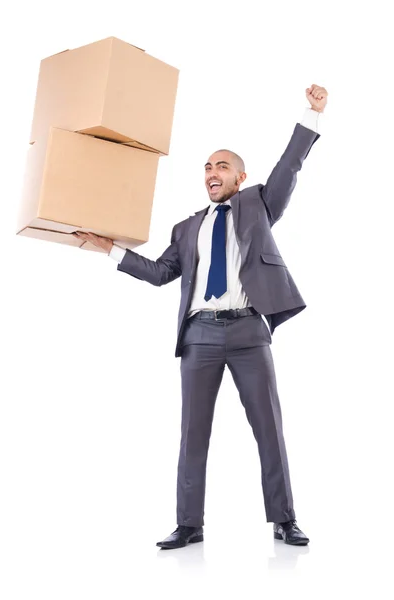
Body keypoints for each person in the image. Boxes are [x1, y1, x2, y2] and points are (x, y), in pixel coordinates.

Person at [74, 83, 328, 549]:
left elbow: (288, 168)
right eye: (207, 167)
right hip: (200, 338)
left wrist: (311, 116)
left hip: (250, 331)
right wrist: (109, 248)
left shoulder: (257, 205)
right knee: (193, 434)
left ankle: (284, 519)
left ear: (239, 176)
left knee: (268, 428)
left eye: (222, 165)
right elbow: (158, 273)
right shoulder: (187, 227)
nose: (213, 172)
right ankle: (189, 524)